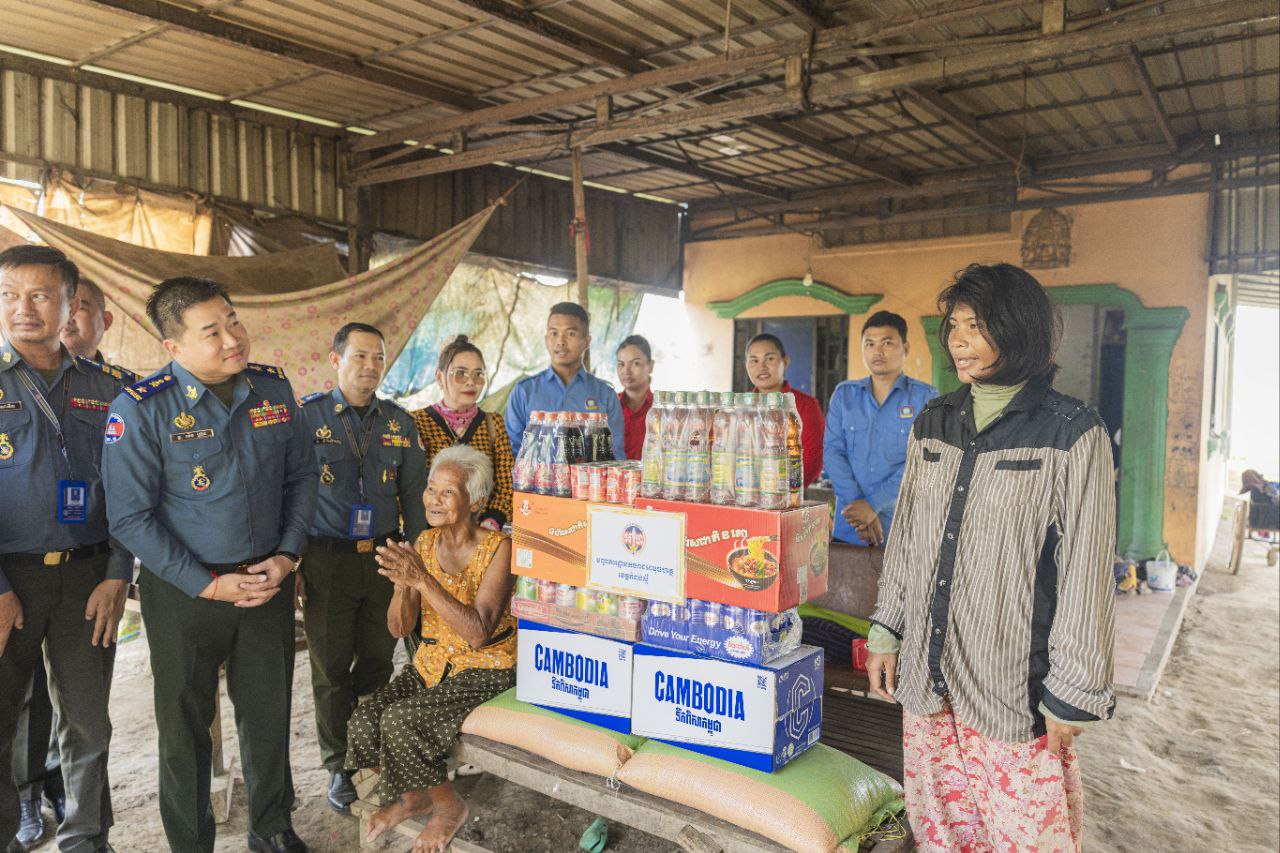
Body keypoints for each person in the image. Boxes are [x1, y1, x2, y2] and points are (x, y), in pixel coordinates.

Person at [864, 263, 1116, 852]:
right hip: (929, 674)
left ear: (1018, 328)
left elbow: (1086, 572)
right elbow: (908, 537)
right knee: (941, 830)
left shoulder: (1072, 431)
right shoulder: (934, 421)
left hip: (1011, 684)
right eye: (954, 326)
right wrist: (885, 629)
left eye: (975, 326)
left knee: (1024, 834)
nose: (957, 340)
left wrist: (1073, 692)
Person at [100, 277, 318, 853]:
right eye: (212, 331)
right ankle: (191, 843)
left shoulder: (273, 389)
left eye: (233, 320)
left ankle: (271, 827)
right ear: (173, 347)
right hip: (185, 592)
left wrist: (287, 556)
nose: (232, 339)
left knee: (269, 713)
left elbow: (302, 477)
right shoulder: (141, 409)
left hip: (267, 581)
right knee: (184, 726)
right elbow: (129, 518)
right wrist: (207, 584)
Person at [0, 246, 135, 853]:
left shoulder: (111, 389)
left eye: (39, 296)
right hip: (10, 581)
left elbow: (133, 490)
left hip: (90, 578)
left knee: (88, 722)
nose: (22, 308)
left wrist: (119, 571)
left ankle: (87, 839)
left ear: (69, 305)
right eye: (9, 295)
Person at [347, 445, 516, 853]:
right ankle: (415, 797)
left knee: (400, 721)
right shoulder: (424, 542)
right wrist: (402, 586)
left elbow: (479, 633)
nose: (433, 500)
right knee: (363, 720)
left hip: (486, 667)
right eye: (430, 488)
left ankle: (448, 806)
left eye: (447, 492)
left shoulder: (500, 548)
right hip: (432, 663)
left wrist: (422, 580)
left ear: (476, 501)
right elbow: (399, 628)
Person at [296, 322, 428, 815]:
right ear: (336, 359)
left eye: (378, 358)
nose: (371, 366)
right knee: (331, 669)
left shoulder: (398, 422)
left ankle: (368, 752)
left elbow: (413, 495)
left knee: (377, 661)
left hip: (385, 559)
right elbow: (288, 491)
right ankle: (338, 765)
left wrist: (414, 565)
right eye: (360, 356)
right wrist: (292, 560)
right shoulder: (306, 417)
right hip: (325, 559)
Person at [824, 311, 936, 547]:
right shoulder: (844, 396)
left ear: (905, 348)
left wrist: (873, 505)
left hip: (904, 532)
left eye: (887, 343)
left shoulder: (925, 398)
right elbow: (833, 453)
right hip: (850, 528)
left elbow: (923, 460)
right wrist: (859, 509)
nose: (878, 351)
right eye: (870, 344)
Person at [410, 335, 513, 530]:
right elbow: (409, 485)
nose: (471, 382)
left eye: (478, 374)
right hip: (430, 531)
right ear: (439, 377)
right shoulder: (416, 423)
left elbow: (507, 484)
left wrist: (490, 523)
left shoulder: (493, 424)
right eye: (460, 373)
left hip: (481, 531)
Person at [504, 302, 624, 460]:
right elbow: (510, 453)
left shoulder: (606, 395)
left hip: (590, 477)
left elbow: (615, 455)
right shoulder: (524, 392)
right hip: (533, 478)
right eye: (554, 333)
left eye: (570, 334)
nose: (560, 341)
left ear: (586, 341)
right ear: (546, 339)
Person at [744, 332, 824, 486]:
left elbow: (812, 460)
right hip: (743, 493)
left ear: (785, 361)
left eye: (770, 359)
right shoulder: (740, 409)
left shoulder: (806, 406)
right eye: (754, 360)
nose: (761, 367)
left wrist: (780, 491)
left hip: (788, 495)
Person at [615, 334, 654, 461]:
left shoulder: (660, 411)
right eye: (621, 364)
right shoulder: (609, 407)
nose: (626, 371)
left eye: (635, 363)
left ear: (651, 366)